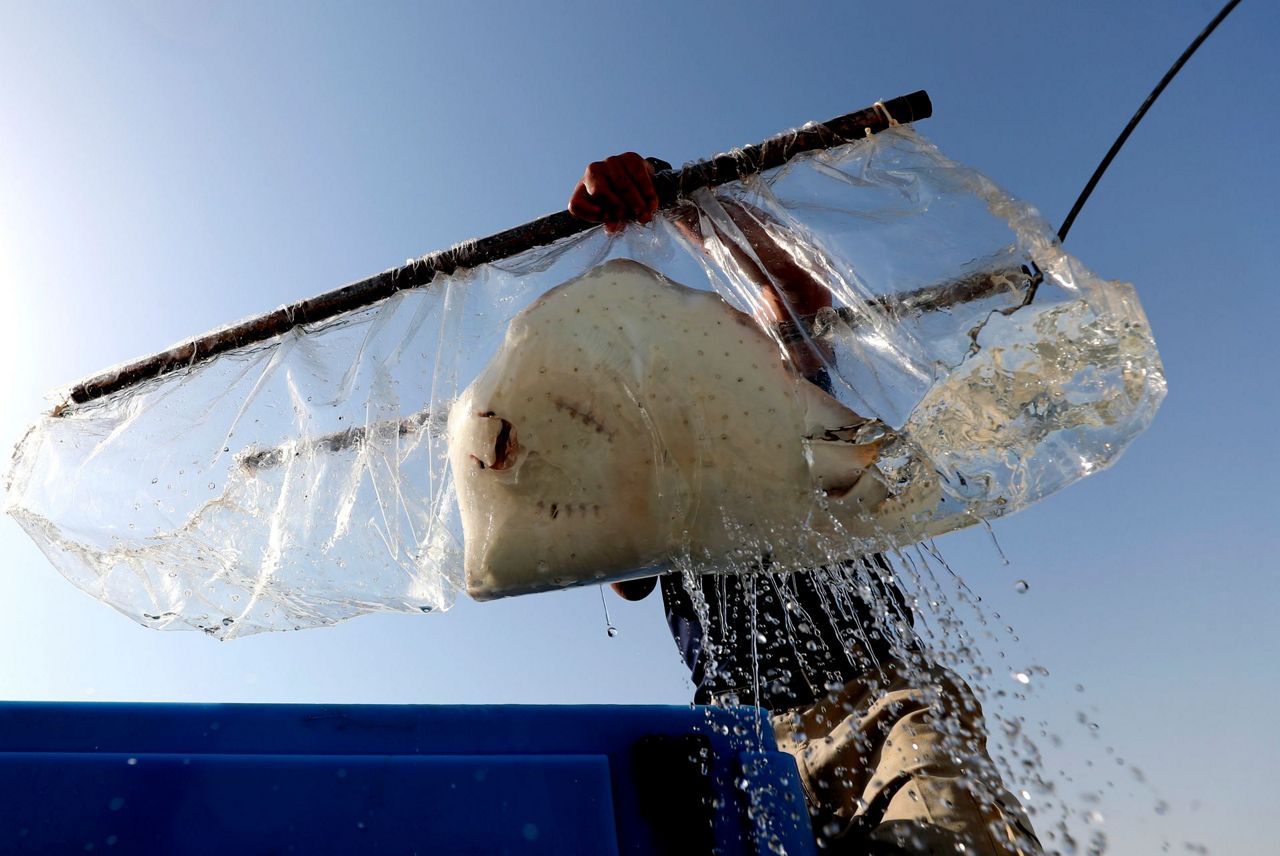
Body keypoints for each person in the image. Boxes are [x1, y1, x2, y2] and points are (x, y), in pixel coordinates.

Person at [569, 153, 1042, 855]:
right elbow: (624, 574)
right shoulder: (641, 465)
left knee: (959, 833)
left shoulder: (783, 397)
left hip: (878, 699)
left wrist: (683, 202)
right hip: (736, 739)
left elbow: (792, 289)